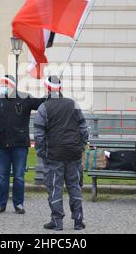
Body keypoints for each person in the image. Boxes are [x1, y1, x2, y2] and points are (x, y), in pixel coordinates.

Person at [34, 76, 88, 231]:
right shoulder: (73, 104)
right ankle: (78, 220)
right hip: (74, 153)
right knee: (75, 187)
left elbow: (38, 134)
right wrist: (81, 146)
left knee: (55, 188)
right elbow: (84, 129)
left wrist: (42, 153)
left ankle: (57, 221)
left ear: (48, 89)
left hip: (54, 155)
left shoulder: (44, 107)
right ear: (61, 88)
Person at [0, 74, 45, 214]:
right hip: (2, 145)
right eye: (2, 85)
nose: (3, 88)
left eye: (5, 85)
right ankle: (0, 204)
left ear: (13, 86)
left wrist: (51, 93)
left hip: (20, 145)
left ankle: (18, 204)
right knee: (2, 177)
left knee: (19, 176)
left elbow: (40, 103)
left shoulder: (25, 98)